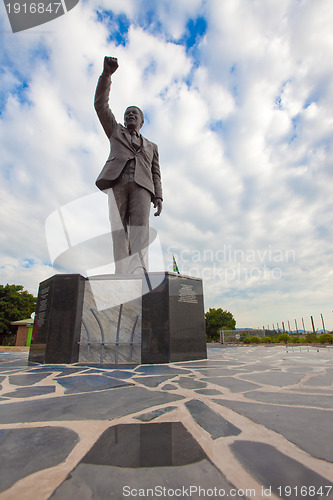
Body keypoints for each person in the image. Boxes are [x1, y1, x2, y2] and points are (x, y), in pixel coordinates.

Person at [94, 56, 163, 275]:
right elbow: (100, 105)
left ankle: (139, 273)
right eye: (127, 114)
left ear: (142, 121)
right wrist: (106, 76)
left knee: (140, 232)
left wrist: (159, 196)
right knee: (118, 230)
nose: (130, 115)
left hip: (143, 188)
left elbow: (156, 173)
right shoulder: (115, 131)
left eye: (135, 114)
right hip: (118, 183)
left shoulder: (152, 146)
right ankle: (121, 273)